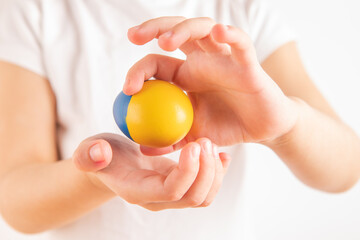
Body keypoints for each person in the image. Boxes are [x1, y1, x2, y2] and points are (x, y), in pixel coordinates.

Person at [0, 0, 359, 239]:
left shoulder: (240, 10)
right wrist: (97, 178)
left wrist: (285, 126)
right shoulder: (34, 9)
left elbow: (346, 167)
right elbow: (14, 200)